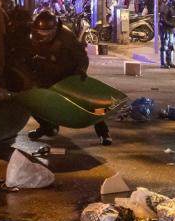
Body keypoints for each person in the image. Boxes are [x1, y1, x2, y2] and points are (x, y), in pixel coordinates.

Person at [25, 11, 111, 146]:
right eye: (39, 33)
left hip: (69, 73)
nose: (42, 37)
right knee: (32, 98)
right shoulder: (32, 36)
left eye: (46, 34)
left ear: (53, 31)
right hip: (47, 73)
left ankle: (103, 132)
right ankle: (47, 127)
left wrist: (81, 71)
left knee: (89, 103)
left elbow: (82, 57)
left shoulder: (66, 37)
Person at [159, 0, 175, 69]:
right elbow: (163, 19)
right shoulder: (166, 7)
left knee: (171, 46)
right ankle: (163, 63)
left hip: (171, 29)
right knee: (164, 46)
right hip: (165, 29)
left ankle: (170, 62)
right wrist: (171, 24)